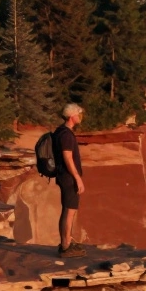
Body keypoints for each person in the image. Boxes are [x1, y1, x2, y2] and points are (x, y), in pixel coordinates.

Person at [53, 103, 86, 257]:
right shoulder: (66, 134)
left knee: (67, 209)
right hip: (68, 177)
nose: (80, 117)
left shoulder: (60, 131)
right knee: (70, 211)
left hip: (63, 176)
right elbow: (68, 158)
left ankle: (66, 241)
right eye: (78, 114)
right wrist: (77, 178)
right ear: (72, 116)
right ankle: (66, 246)